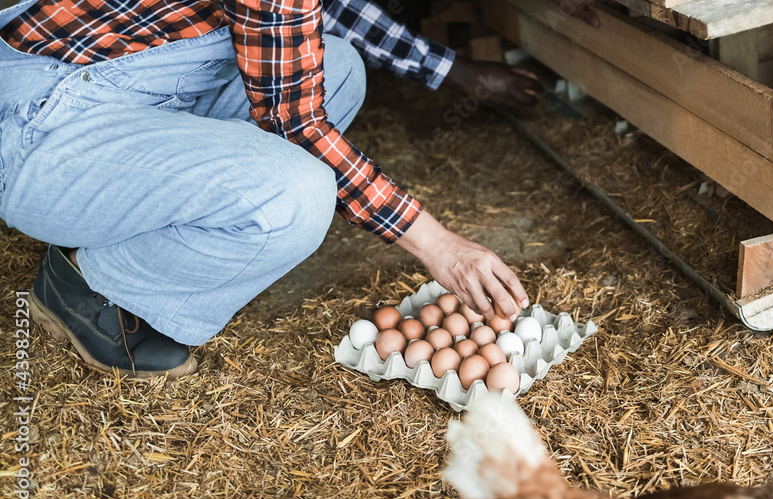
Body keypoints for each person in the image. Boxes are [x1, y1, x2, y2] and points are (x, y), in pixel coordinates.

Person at [0, 0, 546, 379]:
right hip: (45, 123)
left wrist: (449, 69)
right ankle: (89, 284)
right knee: (296, 196)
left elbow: (323, 16)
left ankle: (135, 222)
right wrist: (439, 245)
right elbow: (297, 123)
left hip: (135, 82)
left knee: (338, 67)